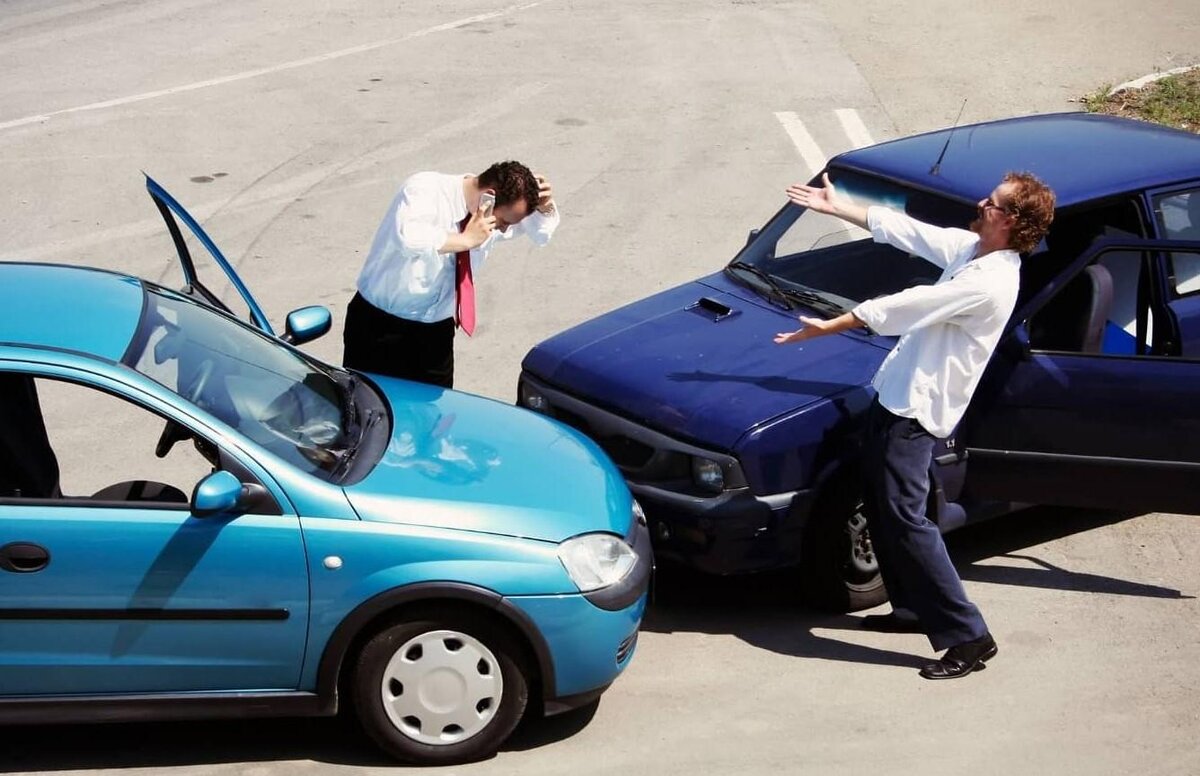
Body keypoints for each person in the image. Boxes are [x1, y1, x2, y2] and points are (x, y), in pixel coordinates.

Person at [775, 171, 1056, 680]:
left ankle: (970, 637)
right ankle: (909, 609)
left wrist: (833, 325)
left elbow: (909, 305)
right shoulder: (974, 250)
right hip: (899, 398)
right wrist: (836, 208)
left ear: (1009, 221)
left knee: (905, 520)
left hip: (914, 414)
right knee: (893, 509)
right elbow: (908, 230)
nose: (979, 202)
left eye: (990, 202)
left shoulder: (988, 281)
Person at [344, 160, 559, 387]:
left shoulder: (487, 218)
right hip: (379, 328)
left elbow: (541, 235)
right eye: (504, 221)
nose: (504, 229)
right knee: (367, 412)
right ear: (489, 197)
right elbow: (408, 238)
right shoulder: (425, 188)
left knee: (437, 415)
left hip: (435, 335)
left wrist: (545, 208)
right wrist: (465, 240)